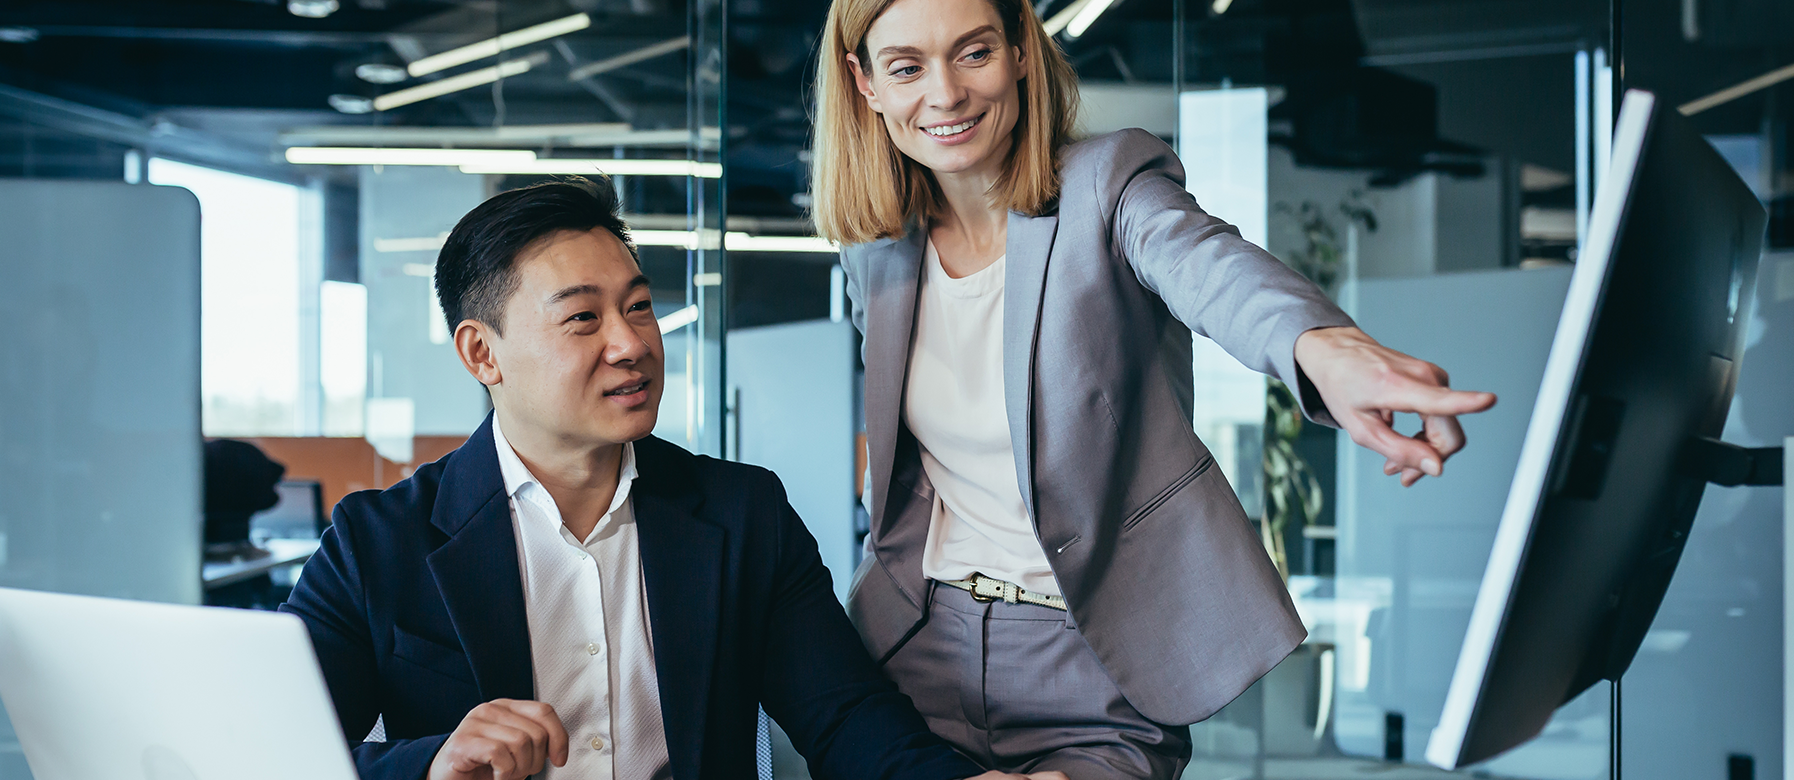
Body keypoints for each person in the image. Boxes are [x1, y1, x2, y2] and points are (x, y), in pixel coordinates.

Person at [810, 0, 1499, 776]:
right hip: (914, 649)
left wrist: (1323, 349)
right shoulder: (876, 250)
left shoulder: (1108, 185)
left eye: (973, 53)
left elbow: (1210, 269)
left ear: (1021, 53)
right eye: (907, 66)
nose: (945, 94)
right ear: (863, 83)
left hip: (1092, 662)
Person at [282, 179, 1058, 780]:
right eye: (584, 319)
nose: (631, 343)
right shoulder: (376, 540)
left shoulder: (741, 513)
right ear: (483, 354)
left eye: (641, 307)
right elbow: (277, 751)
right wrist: (428, 763)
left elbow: (845, 717)